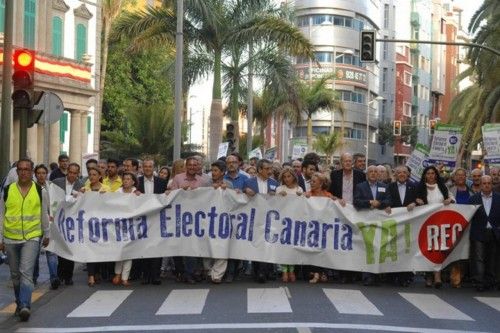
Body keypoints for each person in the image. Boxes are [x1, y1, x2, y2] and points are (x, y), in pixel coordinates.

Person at [0, 158, 50, 321]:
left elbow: (44, 213)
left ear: (32, 171)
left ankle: (25, 306)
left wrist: (46, 234)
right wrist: (0, 237)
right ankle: (19, 301)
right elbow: (1, 215)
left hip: (32, 237)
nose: (23, 172)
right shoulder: (7, 190)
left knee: (26, 272)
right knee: (15, 275)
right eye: (20, 169)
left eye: (26, 169)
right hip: (10, 238)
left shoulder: (39, 190)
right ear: (16, 172)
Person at [416, 165, 454, 288]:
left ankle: (437, 276)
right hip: (425, 224)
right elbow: (413, 201)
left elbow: (452, 198)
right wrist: (417, 202)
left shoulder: (442, 187)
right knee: (428, 250)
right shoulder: (420, 188)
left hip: (440, 223)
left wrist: (450, 201)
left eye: (433, 173)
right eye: (428, 173)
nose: (431, 175)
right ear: (425, 176)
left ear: (436, 175)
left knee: (438, 250)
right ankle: (428, 276)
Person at [354, 165, 391, 286]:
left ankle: (377, 275)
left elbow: (388, 201)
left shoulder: (385, 187)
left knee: (379, 247)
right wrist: (369, 202)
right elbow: (356, 201)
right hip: (365, 222)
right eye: (371, 172)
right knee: (367, 248)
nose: (374, 173)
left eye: (376, 172)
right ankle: (367, 276)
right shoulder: (360, 186)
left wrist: (379, 203)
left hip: (380, 223)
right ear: (367, 174)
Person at [243, 159, 279, 283]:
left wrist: (279, 195)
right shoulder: (248, 182)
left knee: (267, 245)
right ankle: (257, 270)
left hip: (269, 219)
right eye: (267, 169)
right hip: (254, 219)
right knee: (256, 244)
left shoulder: (274, 183)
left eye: (271, 169)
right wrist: (244, 191)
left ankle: (263, 272)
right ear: (259, 170)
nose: (270, 171)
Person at [52, 163, 84, 286]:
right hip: (59, 220)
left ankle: (68, 276)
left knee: (70, 249)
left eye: (74, 173)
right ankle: (60, 275)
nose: (72, 175)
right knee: (60, 249)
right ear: (67, 172)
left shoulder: (81, 185)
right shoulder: (56, 182)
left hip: (72, 222)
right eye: (70, 172)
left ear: (78, 174)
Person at [137, 159, 167, 285]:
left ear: (154, 168)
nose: (148, 168)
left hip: (157, 218)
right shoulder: (137, 182)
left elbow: (166, 197)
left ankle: (155, 275)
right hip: (142, 219)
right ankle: (145, 275)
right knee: (143, 247)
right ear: (142, 168)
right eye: (146, 166)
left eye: (150, 166)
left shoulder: (162, 182)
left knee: (157, 246)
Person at [387, 165, 418, 287]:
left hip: (409, 224)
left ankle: (406, 276)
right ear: (395, 174)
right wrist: (386, 205)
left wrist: (415, 203)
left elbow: (421, 200)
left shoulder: (414, 187)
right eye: (399, 172)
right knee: (393, 249)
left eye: (404, 172)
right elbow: (385, 200)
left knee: (406, 250)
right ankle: (392, 275)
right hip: (393, 223)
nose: (402, 174)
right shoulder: (389, 187)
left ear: (408, 174)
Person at [203, 161, 233, 284]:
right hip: (208, 219)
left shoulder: (229, 184)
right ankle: (209, 270)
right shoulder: (206, 184)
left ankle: (217, 274)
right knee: (207, 246)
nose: (213, 173)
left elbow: (235, 199)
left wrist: (228, 190)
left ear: (222, 172)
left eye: (215, 170)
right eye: (212, 170)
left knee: (222, 246)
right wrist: (210, 190)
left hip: (223, 220)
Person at [468, 175, 500, 291]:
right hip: (478, 232)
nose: (487, 185)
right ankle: (479, 282)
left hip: (494, 232)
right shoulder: (473, 199)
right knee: (478, 258)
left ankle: (490, 281)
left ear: (492, 184)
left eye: (489, 183)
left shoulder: (498, 198)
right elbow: (467, 216)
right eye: (484, 183)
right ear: (480, 185)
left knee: (492, 258)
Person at [305, 172, 335, 283]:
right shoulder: (308, 194)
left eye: (314, 181)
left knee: (323, 250)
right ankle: (317, 273)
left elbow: (335, 204)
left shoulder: (328, 196)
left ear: (321, 183)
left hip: (325, 228)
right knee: (313, 249)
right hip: (311, 228)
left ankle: (322, 272)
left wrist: (339, 201)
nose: (311, 183)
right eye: (311, 181)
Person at [446, 167, 474, 288]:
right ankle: (454, 277)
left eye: (463, 175)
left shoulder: (472, 192)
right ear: (454, 177)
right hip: (453, 225)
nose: (461, 177)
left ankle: (462, 275)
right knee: (454, 251)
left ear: (466, 177)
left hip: (468, 225)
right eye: (458, 175)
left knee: (465, 251)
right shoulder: (448, 190)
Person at [33, 164, 59, 290]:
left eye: (43, 173)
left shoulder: (52, 187)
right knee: (34, 252)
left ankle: (54, 277)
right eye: (39, 173)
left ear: (47, 174)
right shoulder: (32, 187)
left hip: (49, 222)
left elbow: (56, 203)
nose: (41, 175)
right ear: (35, 174)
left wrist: (53, 215)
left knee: (51, 252)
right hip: (34, 224)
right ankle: (34, 276)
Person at [276, 167, 303, 282]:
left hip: (295, 221)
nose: (287, 179)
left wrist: (300, 197)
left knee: (292, 247)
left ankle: (292, 269)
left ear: (293, 177)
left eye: (289, 176)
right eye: (285, 177)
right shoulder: (279, 189)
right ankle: (284, 271)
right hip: (282, 221)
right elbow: (274, 204)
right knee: (283, 247)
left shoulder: (299, 189)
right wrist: (278, 196)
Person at [112, 172, 139, 287]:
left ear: (133, 181)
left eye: (129, 179)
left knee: (129, 252)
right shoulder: (117, 193)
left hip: (132, 225)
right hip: (119, 224)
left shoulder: (136, 193)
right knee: (120, 250)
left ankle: (125, 278)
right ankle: (117, 273)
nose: (126, 181)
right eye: (124, 179)